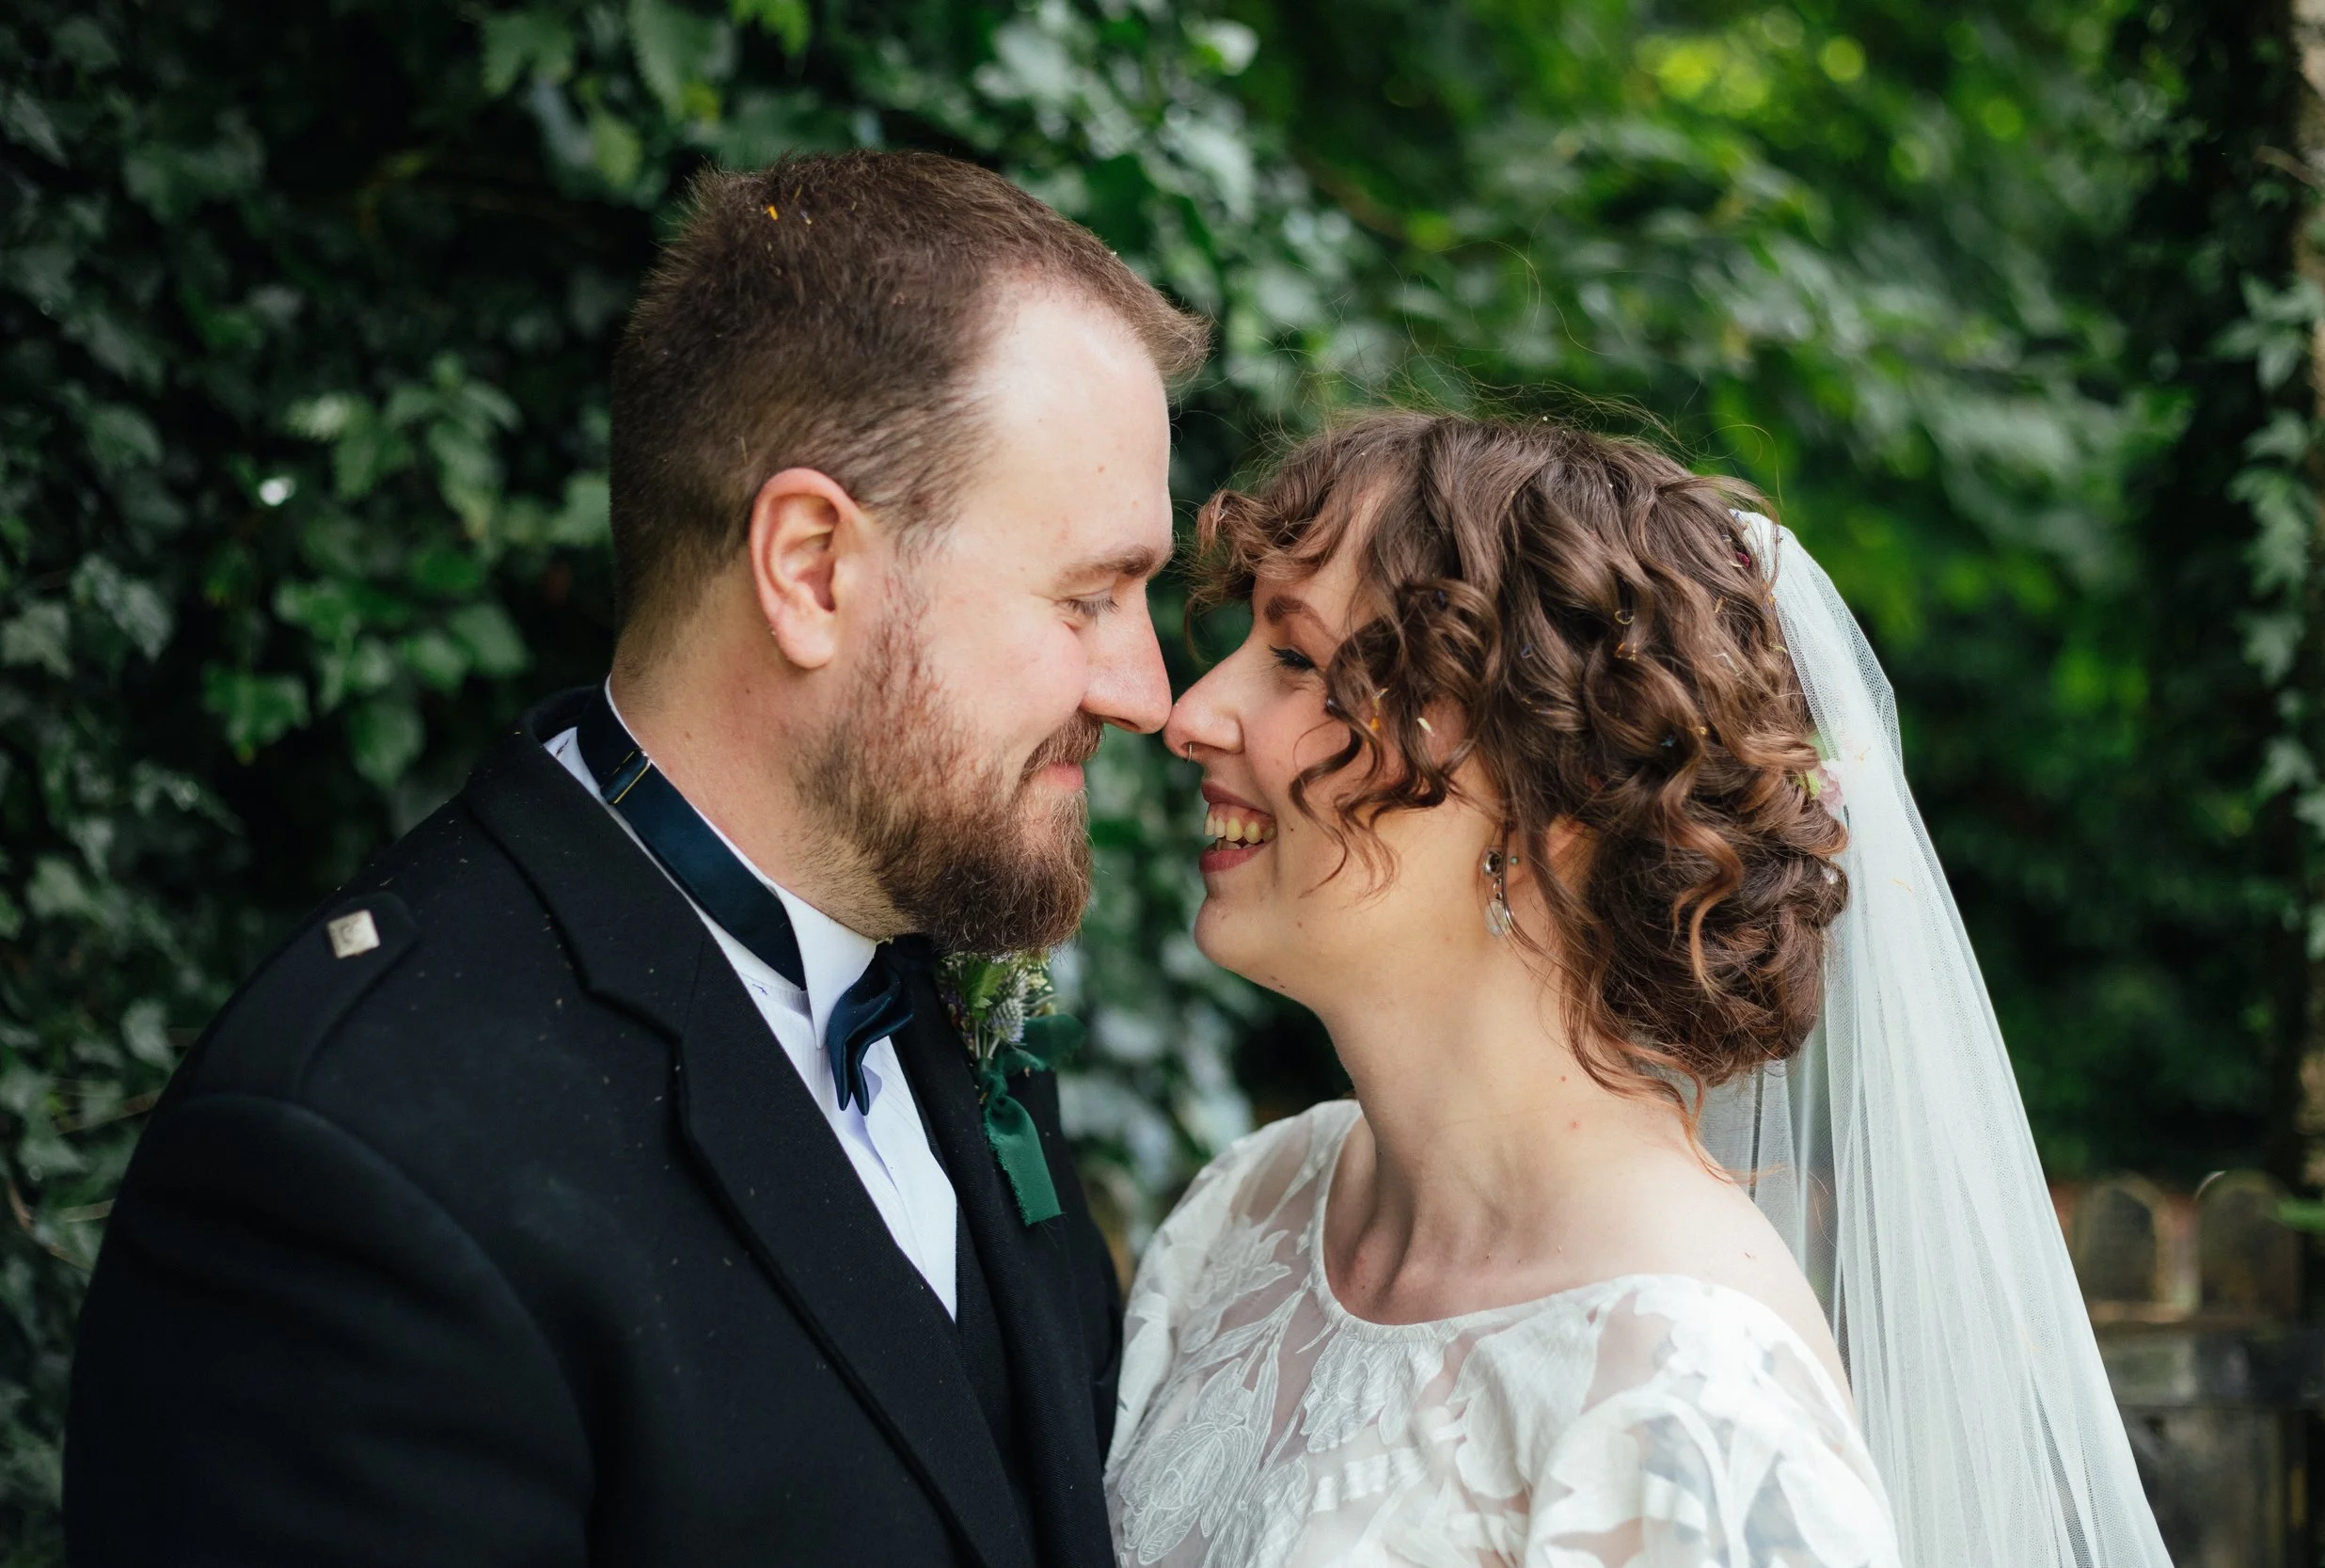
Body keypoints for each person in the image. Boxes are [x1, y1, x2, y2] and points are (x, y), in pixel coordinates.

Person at [65, 150, 1206, 1568]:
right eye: (1089, 594)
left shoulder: (935, 982)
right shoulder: (352, 1166)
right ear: (810, 567)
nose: (1147, 690)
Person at [1105, 413, 2172, 1568]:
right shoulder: (1250, 1211)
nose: (1190, 711)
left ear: (1549, 797)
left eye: (1300, 660)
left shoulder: (1689, 1403)